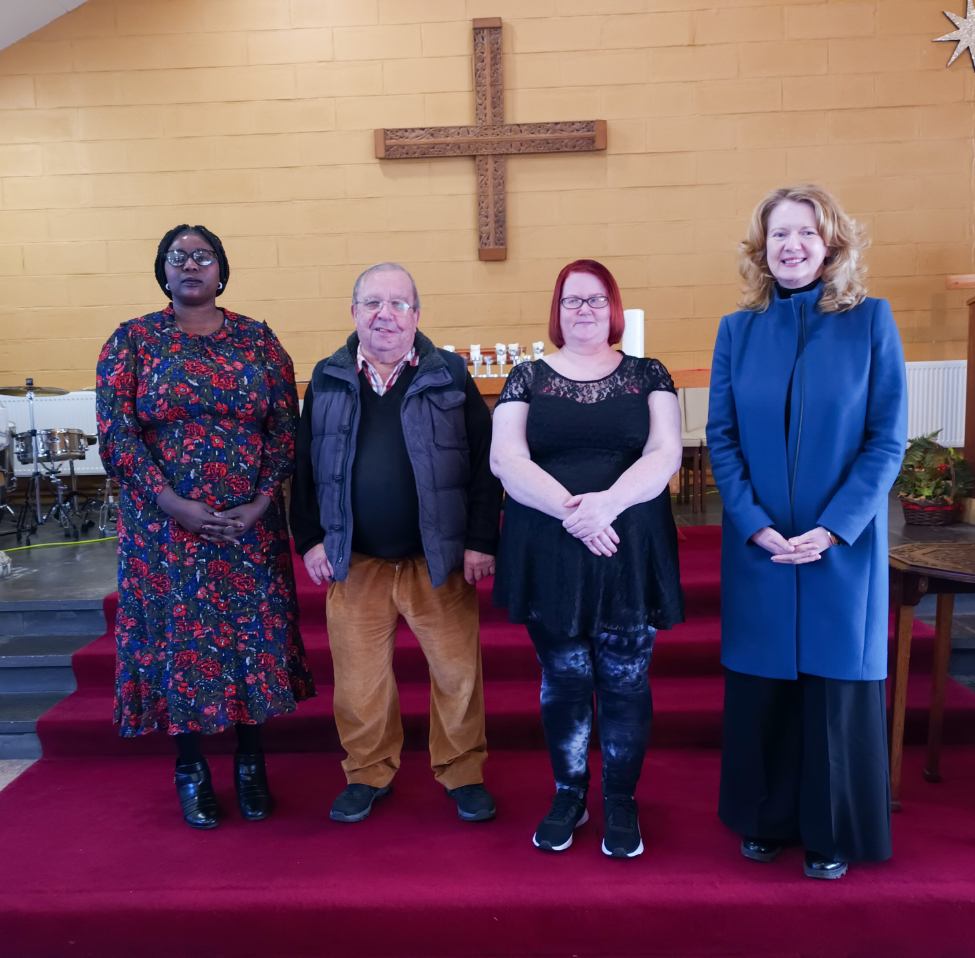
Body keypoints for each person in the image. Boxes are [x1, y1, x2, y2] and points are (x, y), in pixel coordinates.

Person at [706, 184, 907, 880]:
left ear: (830, 244)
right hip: (761, 548)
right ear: (760, 250)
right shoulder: (737, 330)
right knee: (764, 686)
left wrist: (832, 529)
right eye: (778, 234)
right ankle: (765, 818)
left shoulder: (869, 321)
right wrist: (755, 527)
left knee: (831, 690)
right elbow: (720, 439)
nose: (790, 245)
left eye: (805, 233)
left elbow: (885, 441)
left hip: (838, 550)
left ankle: (830, 832)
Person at [96, 224, 315, 830]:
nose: (191, 265)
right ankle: (190, 767)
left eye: (203, 256)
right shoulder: (134, 341)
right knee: (180, 645)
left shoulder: (258, 340)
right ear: (163, 271)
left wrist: (264, 498)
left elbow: (284, 426)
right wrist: (170, 502)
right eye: (178, 257)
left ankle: (250, 763)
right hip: (164, 532)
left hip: (248, 528)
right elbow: (116, 435)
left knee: (248, 641)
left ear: (222, 269)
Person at [290, 262, 502, 824]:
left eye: (398, 304)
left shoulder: (449, 375)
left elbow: (485, 466)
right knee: (359, 684)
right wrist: (311, 539)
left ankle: (461, 772)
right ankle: (367, 772)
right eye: (373, 303)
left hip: (439, 560)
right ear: (354, 312)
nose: (385, 314)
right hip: (356, 561)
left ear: (417, 314)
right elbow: (306, 467)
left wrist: (481, 540)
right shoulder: (328, 378)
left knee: (457, 676)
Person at [490, 259, 683, 858]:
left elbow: (665, 450)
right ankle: (569, 793)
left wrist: (608, 506)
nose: (584, 310)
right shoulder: (527, 377)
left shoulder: (649, 374)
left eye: (596, 300)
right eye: (572, 301)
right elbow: (506, 460)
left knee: (626, 681)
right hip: (551, 547)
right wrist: (573, 512)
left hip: (629, 546)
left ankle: (621, 801)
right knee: (565, 680)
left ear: (614, 307)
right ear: (557, 310)